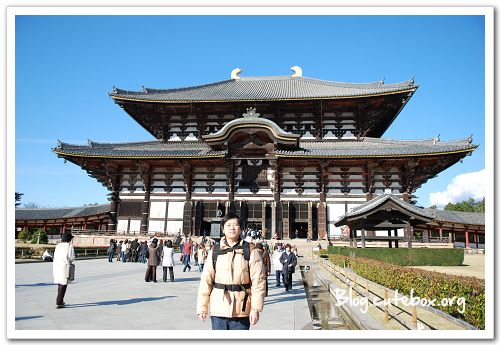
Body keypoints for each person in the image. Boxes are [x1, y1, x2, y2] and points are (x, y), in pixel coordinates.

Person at [197, 213, 266, 330]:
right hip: (219, 307)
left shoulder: (250, 250)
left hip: (241, 308)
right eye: (228, 225)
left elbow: (259, 282)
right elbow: (206, 280)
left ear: (241, 229)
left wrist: (256, 309)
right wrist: (202, 307)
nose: (232, 228)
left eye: (235, 225)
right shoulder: (215, 251)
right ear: (223, 229)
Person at [52, 232, 75, 308]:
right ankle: (59, 302)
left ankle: (60, 300)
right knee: (63, 285)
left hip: (57, 266)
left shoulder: (58, 246)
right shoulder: (69, 246)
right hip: (65, 266)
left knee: (60, 284)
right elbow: (72, 258)